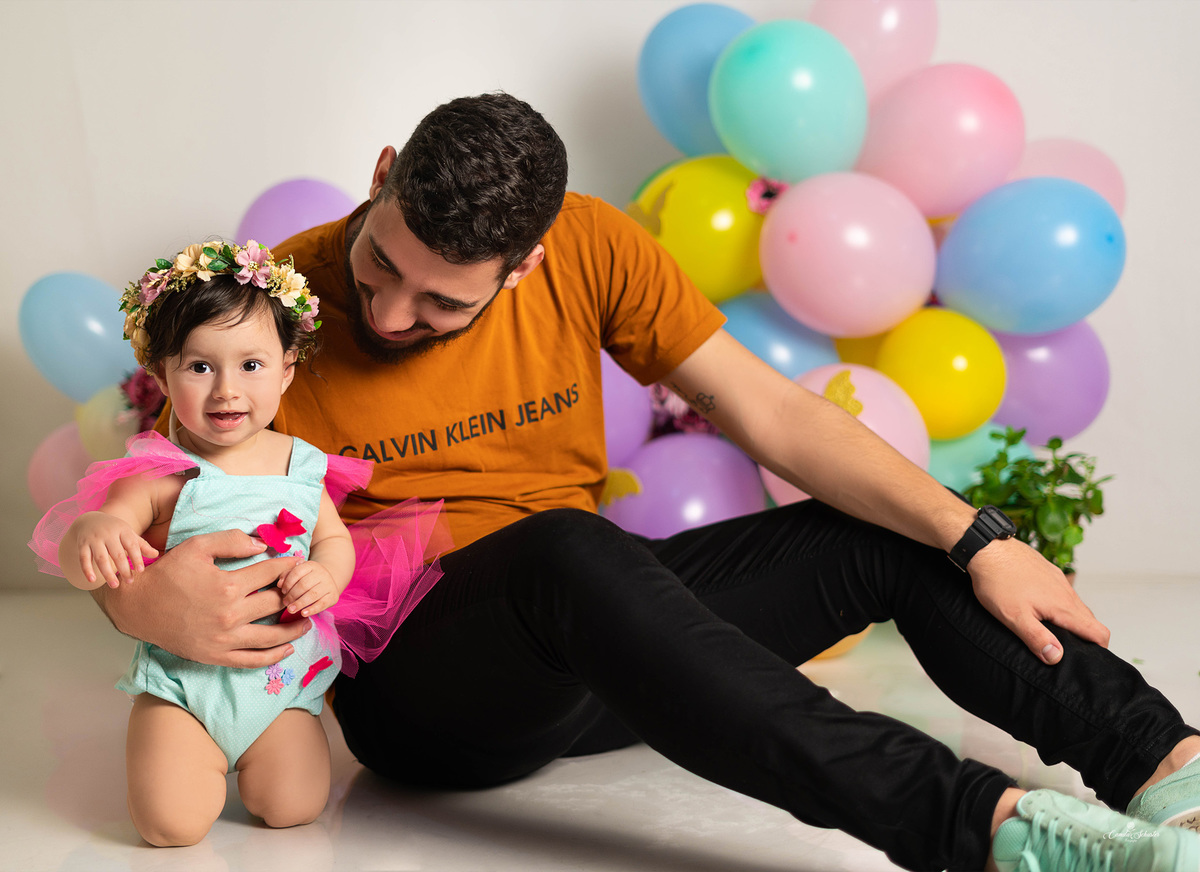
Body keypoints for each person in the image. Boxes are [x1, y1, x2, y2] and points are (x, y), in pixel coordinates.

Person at [87, 94, 1200, 871]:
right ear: (381, 179)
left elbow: (772, 413)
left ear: (526, 264)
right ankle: (994, 833)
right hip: (430, 694)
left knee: (892, 531)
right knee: (570, 551)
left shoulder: (591, 246)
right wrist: (136, 601)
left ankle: (1170, 771)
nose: (387, 313)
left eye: (440, 302)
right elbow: (159, 494)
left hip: (609, 639)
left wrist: (981, 538)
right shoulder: (273, 310)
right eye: (381, 264)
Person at [29, 241, 444, 847]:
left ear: (286, 369)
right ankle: (180, 752)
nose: (226, 390)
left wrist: (326, 574)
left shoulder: (302, 465)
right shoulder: (159, 473)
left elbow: (332, 538)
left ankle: (265, 750)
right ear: (161, 375)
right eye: (200, 367)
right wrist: (93, 533)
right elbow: (95, 549)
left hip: (280, 685)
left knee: (294, 807)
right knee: (170, 826)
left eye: (251, 365)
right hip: (184, 686)